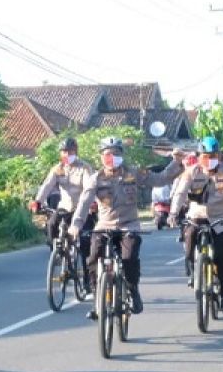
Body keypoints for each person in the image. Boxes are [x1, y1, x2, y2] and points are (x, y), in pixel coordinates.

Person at [70, 136, 184, 318]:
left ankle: (133, 291)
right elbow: (84, 203)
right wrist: (76, 225)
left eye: (115, 154)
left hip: (128, 225)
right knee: (91, 258)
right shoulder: (95, 179)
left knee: (129, 258)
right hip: (104, 226)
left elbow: (160, 179)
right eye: (107, 154)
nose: (111, 158)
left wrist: (176, 162)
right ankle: (97, 300)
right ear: (101, 157)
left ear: (122, 155)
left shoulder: (133, 173)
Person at [169, 136, 223, 313]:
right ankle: (192, 273)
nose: (210, 159)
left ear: (219, 156)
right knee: (189, 239)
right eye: (206, 156)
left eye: (213, 155)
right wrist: (173, 213)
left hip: (222, 218)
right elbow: (181, 193)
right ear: (199, 156)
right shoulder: (191, 172)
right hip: (197, 216)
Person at [29, 137, 96, 287]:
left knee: (85, 245)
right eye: (64, 151)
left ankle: (87, 279)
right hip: (64, 207)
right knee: (52, 224)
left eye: (70, 151)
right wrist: (38, 201)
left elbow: (88, 188)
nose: (67, 154)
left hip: (82, 209)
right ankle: (57, 252)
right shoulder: (57, 169)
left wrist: (91, 204)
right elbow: (47, 185)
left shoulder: (84, 168)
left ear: (75, 151)